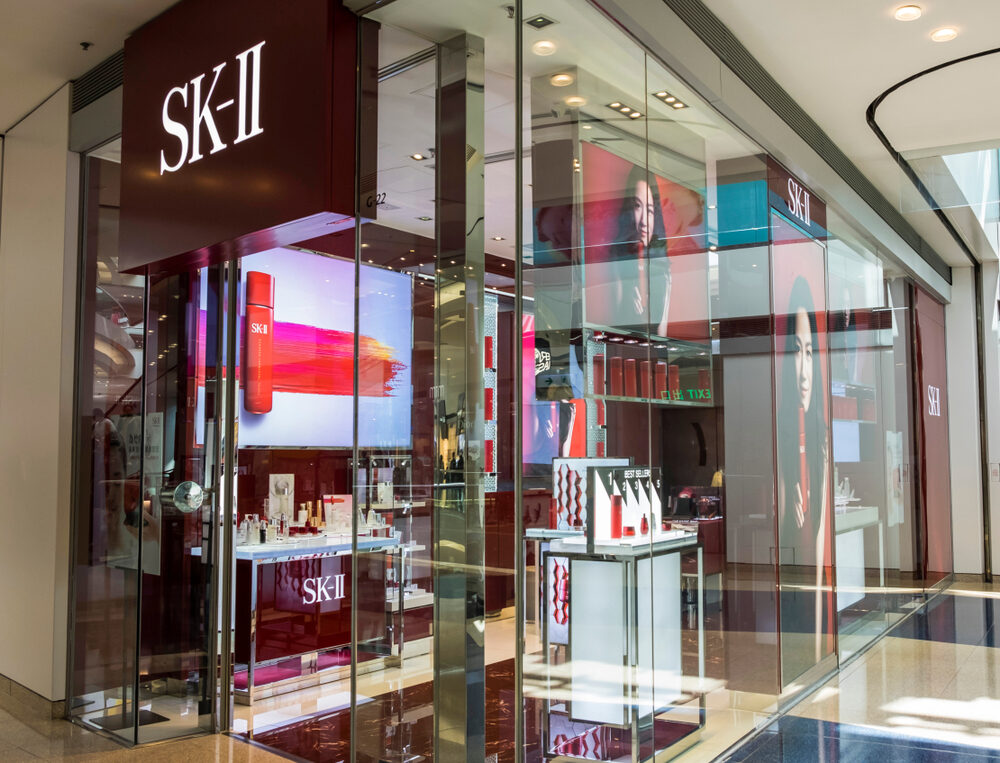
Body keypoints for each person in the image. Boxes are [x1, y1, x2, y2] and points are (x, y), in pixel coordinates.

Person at [777, 276, 831, 672]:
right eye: (796, 351)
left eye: (810, 352)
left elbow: (819, 564)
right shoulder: (776, 436)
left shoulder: (820, 441)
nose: (803, 371)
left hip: (812, 603)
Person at [607, 165, 672, 337]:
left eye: (649, 210)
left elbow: (662, 335)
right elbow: (614, 327)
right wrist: (628, 306)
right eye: (637, 206)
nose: (644, 221)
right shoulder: (617, 260)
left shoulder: (662, 268)